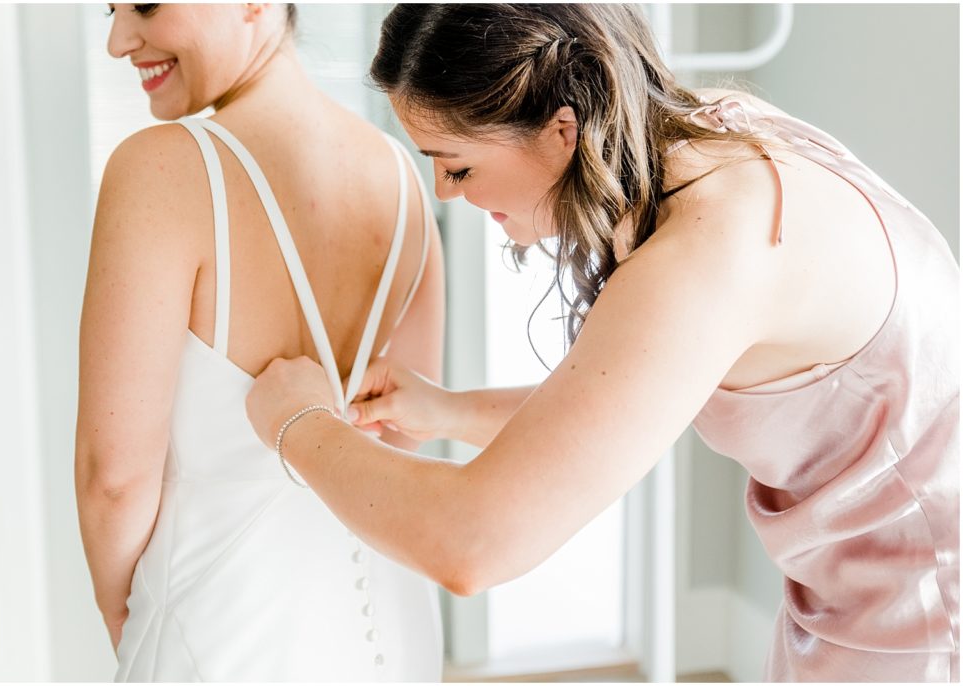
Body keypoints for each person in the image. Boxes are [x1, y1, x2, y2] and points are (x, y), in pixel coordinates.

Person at [244, 4, 960, 681]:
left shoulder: (712, 247)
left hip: (920, 623)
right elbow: (620, 401)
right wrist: (445, 411)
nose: (444, 193)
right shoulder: (712, 132)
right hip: (866, 592)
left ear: (562, 129)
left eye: (457, 164)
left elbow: (472, 543)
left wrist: (296, 423)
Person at [75, 3, 446, 681]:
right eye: (113, 9)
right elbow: (403, 429)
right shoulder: (401, 175)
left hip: (220, 631)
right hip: (385, 627)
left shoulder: (159, 171)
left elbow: (114, 480)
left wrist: (123, 616)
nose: (117, 40)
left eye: (145, 5)